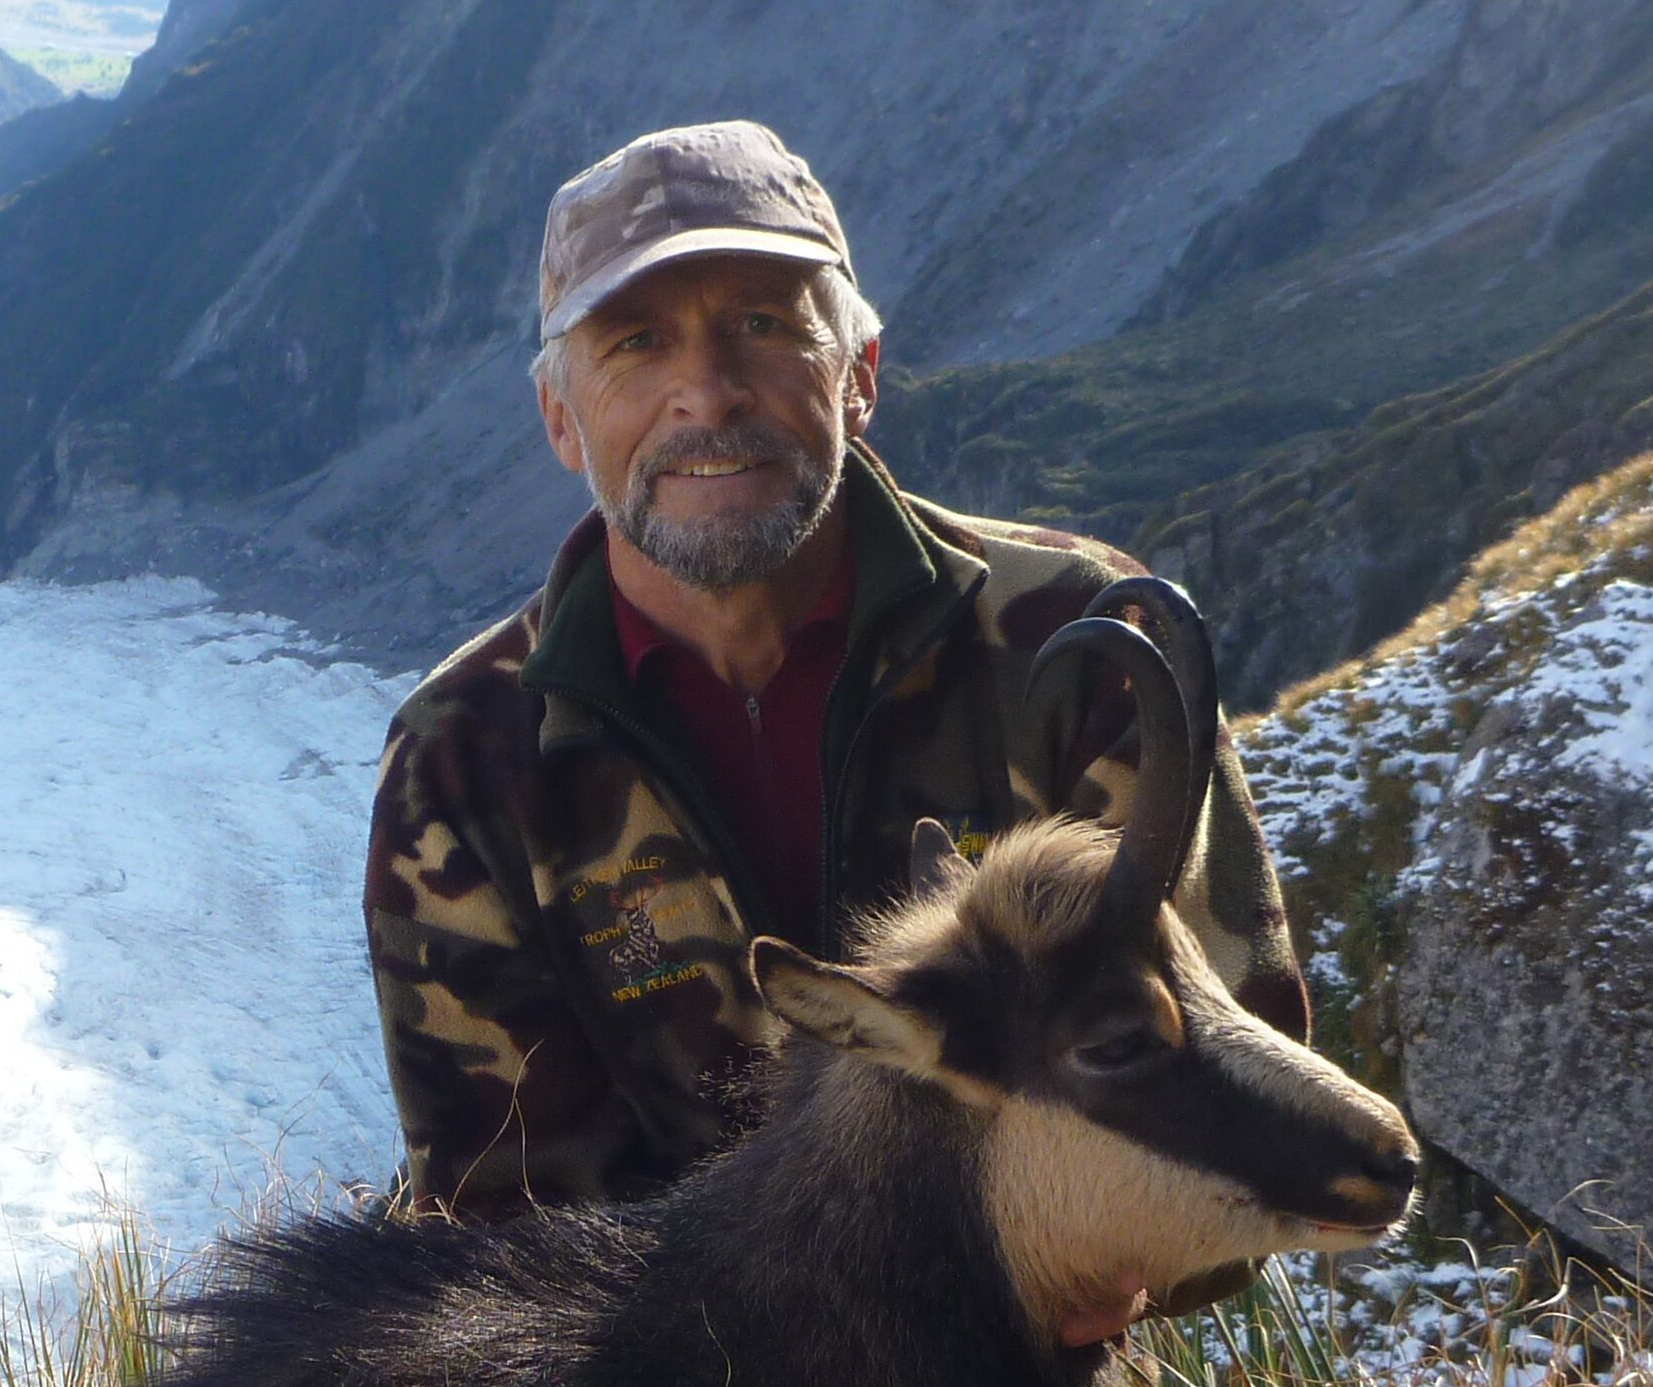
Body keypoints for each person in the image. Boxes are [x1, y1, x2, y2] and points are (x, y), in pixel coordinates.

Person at [366, 117, 1313, 1223]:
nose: (707, 392)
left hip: (1047, 1358)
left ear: (858, 375)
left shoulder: (1082, 642)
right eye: (634, 343)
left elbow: (1234, 1087)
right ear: (560, 420)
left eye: (764, 325)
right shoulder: (464, 757)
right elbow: (505, 1229)